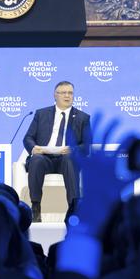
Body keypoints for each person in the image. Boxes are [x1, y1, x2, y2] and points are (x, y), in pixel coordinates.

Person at [23, 81, 92, 222]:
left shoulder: (83, 118)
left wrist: (72, 149)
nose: (67, 96)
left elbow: (86, 145)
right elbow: (28, 138)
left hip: (67, 159)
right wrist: (34, 148)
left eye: (70, 93)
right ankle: (36, 207)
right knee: (36, 159)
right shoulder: (41, 114)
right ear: (55, 95)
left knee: (69, 159)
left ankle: (73, 208)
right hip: (44, 157)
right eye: (63, 92)